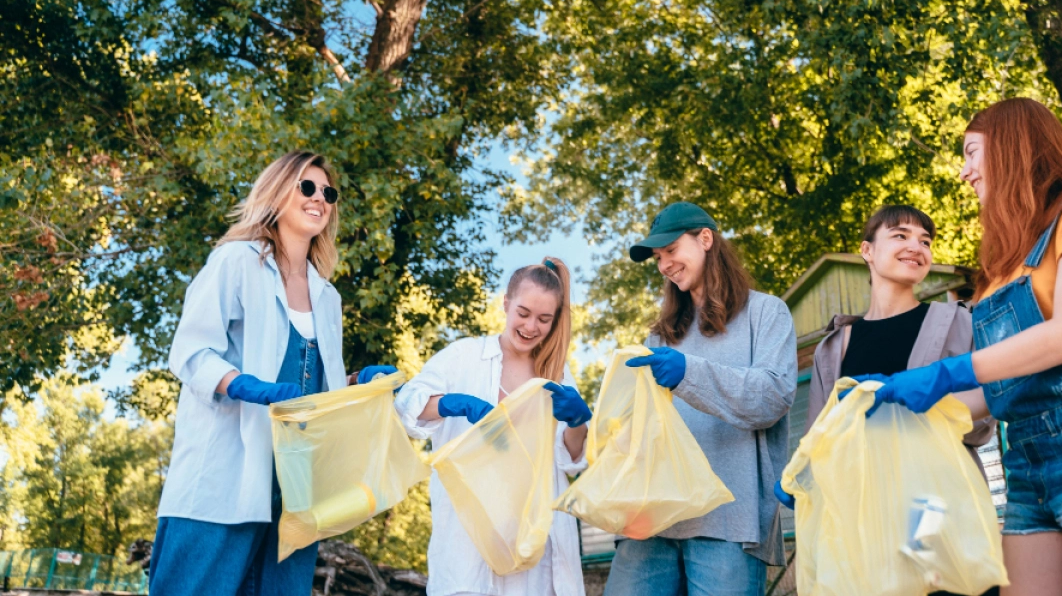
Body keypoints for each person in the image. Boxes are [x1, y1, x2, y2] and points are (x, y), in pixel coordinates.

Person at [865, 98, 1062, 596]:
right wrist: (884, 412)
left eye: (973, 153)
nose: (964, 171)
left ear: (1013, 147)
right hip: (1025, 455)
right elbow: (999, 389)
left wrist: (944, 374)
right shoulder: (1002, 267)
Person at [150, 151, 361, 595]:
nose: (319, 198)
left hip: (294, 495)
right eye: (307, 186)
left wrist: (358, 387)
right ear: (277, 192)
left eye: (328, 192)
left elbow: (319, 392)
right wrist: (242, 384)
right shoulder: (236, 262)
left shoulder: (328, 298)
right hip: (224, 480)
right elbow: (191, 351)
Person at [776, 204, 998, 596]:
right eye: (900, 235)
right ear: (867, 251)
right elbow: (823, 435)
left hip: (934, 505)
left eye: (925, 240)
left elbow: (986, 410)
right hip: (864, 514)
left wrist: (918, 402)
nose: (917, 246)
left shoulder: (956, 322)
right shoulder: (835, 345)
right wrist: (803, 477)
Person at [603, 202, 798, 596]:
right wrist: (591, 422)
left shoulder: (766, 314)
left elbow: (773, 396)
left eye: (671, 250)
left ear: (705, 239)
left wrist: (689, 374)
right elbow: (638, 431)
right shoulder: (659, 337)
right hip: (651, 521)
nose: (664, 265)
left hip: (729, 521)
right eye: (658, 258)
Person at [393, 258, 592, 596]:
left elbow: (572, 460)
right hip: (468, 546)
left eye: (544, 319)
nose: (531, 327)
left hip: (535, 547)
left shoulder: (557, 374)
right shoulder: (464, 356)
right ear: (505, 303)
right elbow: (406, 406)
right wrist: (450, 403)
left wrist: (578, 421)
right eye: (524, 313)